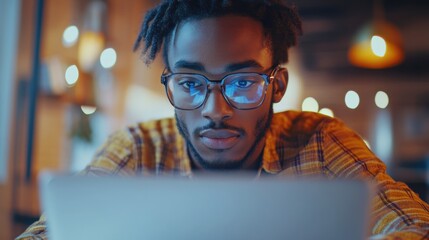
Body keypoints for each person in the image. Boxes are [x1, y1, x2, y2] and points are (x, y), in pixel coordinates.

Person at [17, 0, 429, 239]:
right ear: (171, 84)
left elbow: (411, 224)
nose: (216, 111)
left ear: (278, 85)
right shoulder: (139, 149)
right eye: (191, 83)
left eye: (243, 82)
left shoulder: (320, 142)